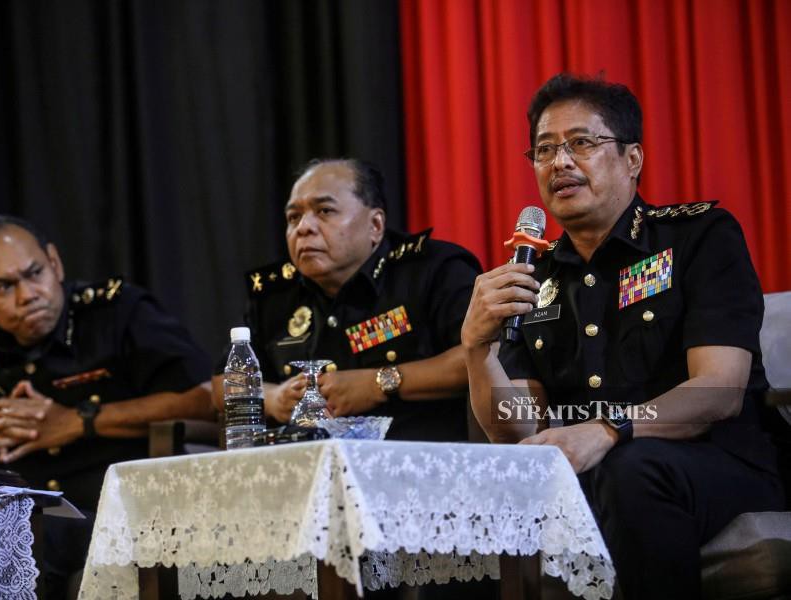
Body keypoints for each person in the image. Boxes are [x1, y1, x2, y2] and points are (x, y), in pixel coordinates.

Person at [462, 73, 784, 599]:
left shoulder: (699, 236)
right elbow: (519, 433)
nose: (560, 162)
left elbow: (721, 390)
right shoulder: (533, 277)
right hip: (597, 474)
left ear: (632, 160)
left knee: (630, 468)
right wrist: (478, 351)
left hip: (718, 463)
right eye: (544, 150)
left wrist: (610, 429)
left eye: (582, 143)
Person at [0, 215, 214, 595]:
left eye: (35, 273)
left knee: (16, 542)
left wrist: (82, 420)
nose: (27, 294)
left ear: (55, 263)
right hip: (15, 512)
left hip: (109, 510)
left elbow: (202, 396)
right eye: (3, 287)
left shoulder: (116, 312)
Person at [212, 158, 482, 443]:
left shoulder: (433, 269)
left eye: (324, 211)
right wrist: (273, 396)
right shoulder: (274, 295)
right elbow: (220, 384)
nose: (303, 227)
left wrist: (380, 383)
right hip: (304, 463)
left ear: (375, 225)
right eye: (294, 217)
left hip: (412, 458)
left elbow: (480, 356)